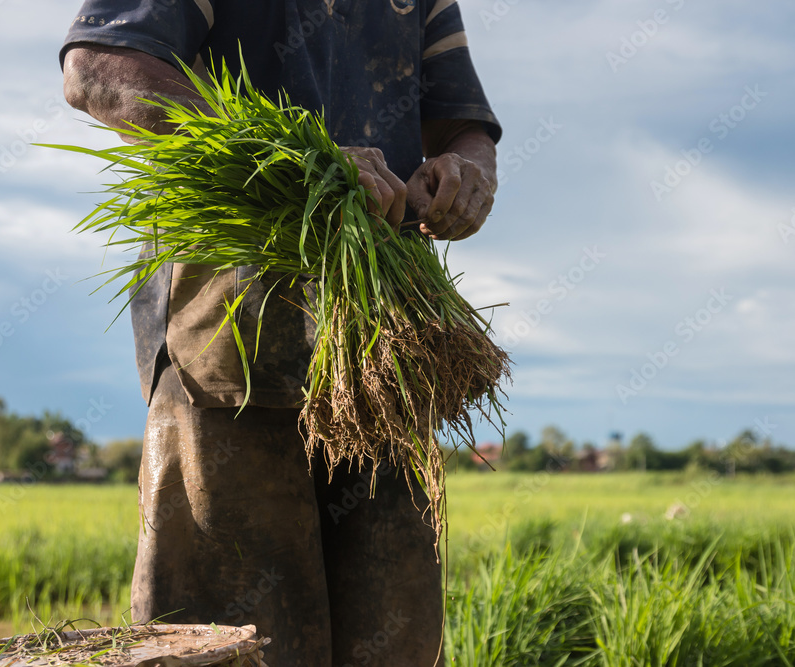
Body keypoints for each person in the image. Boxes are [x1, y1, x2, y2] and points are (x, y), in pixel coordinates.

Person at [59, 1, 501, 665]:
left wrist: (471, 167)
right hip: (226, 344)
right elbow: (98, 66)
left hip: (383, 357)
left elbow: (461, 122)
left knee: (397, 634)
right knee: (230, 640)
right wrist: (295, 159)